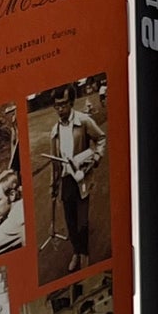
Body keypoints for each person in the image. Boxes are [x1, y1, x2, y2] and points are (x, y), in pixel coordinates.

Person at [48, 85, 105, 272]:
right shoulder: (54, 131)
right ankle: (76, 252)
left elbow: (101, 138)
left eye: (64, 104)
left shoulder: (84, 121)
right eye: (57, 106)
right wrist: (53, 185)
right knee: (71, 222)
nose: (60, 109)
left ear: (72, 102)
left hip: (82, 177)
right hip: (66, 180)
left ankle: (85, 254)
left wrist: (96, 157)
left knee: (82, 223)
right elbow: (54, 164)